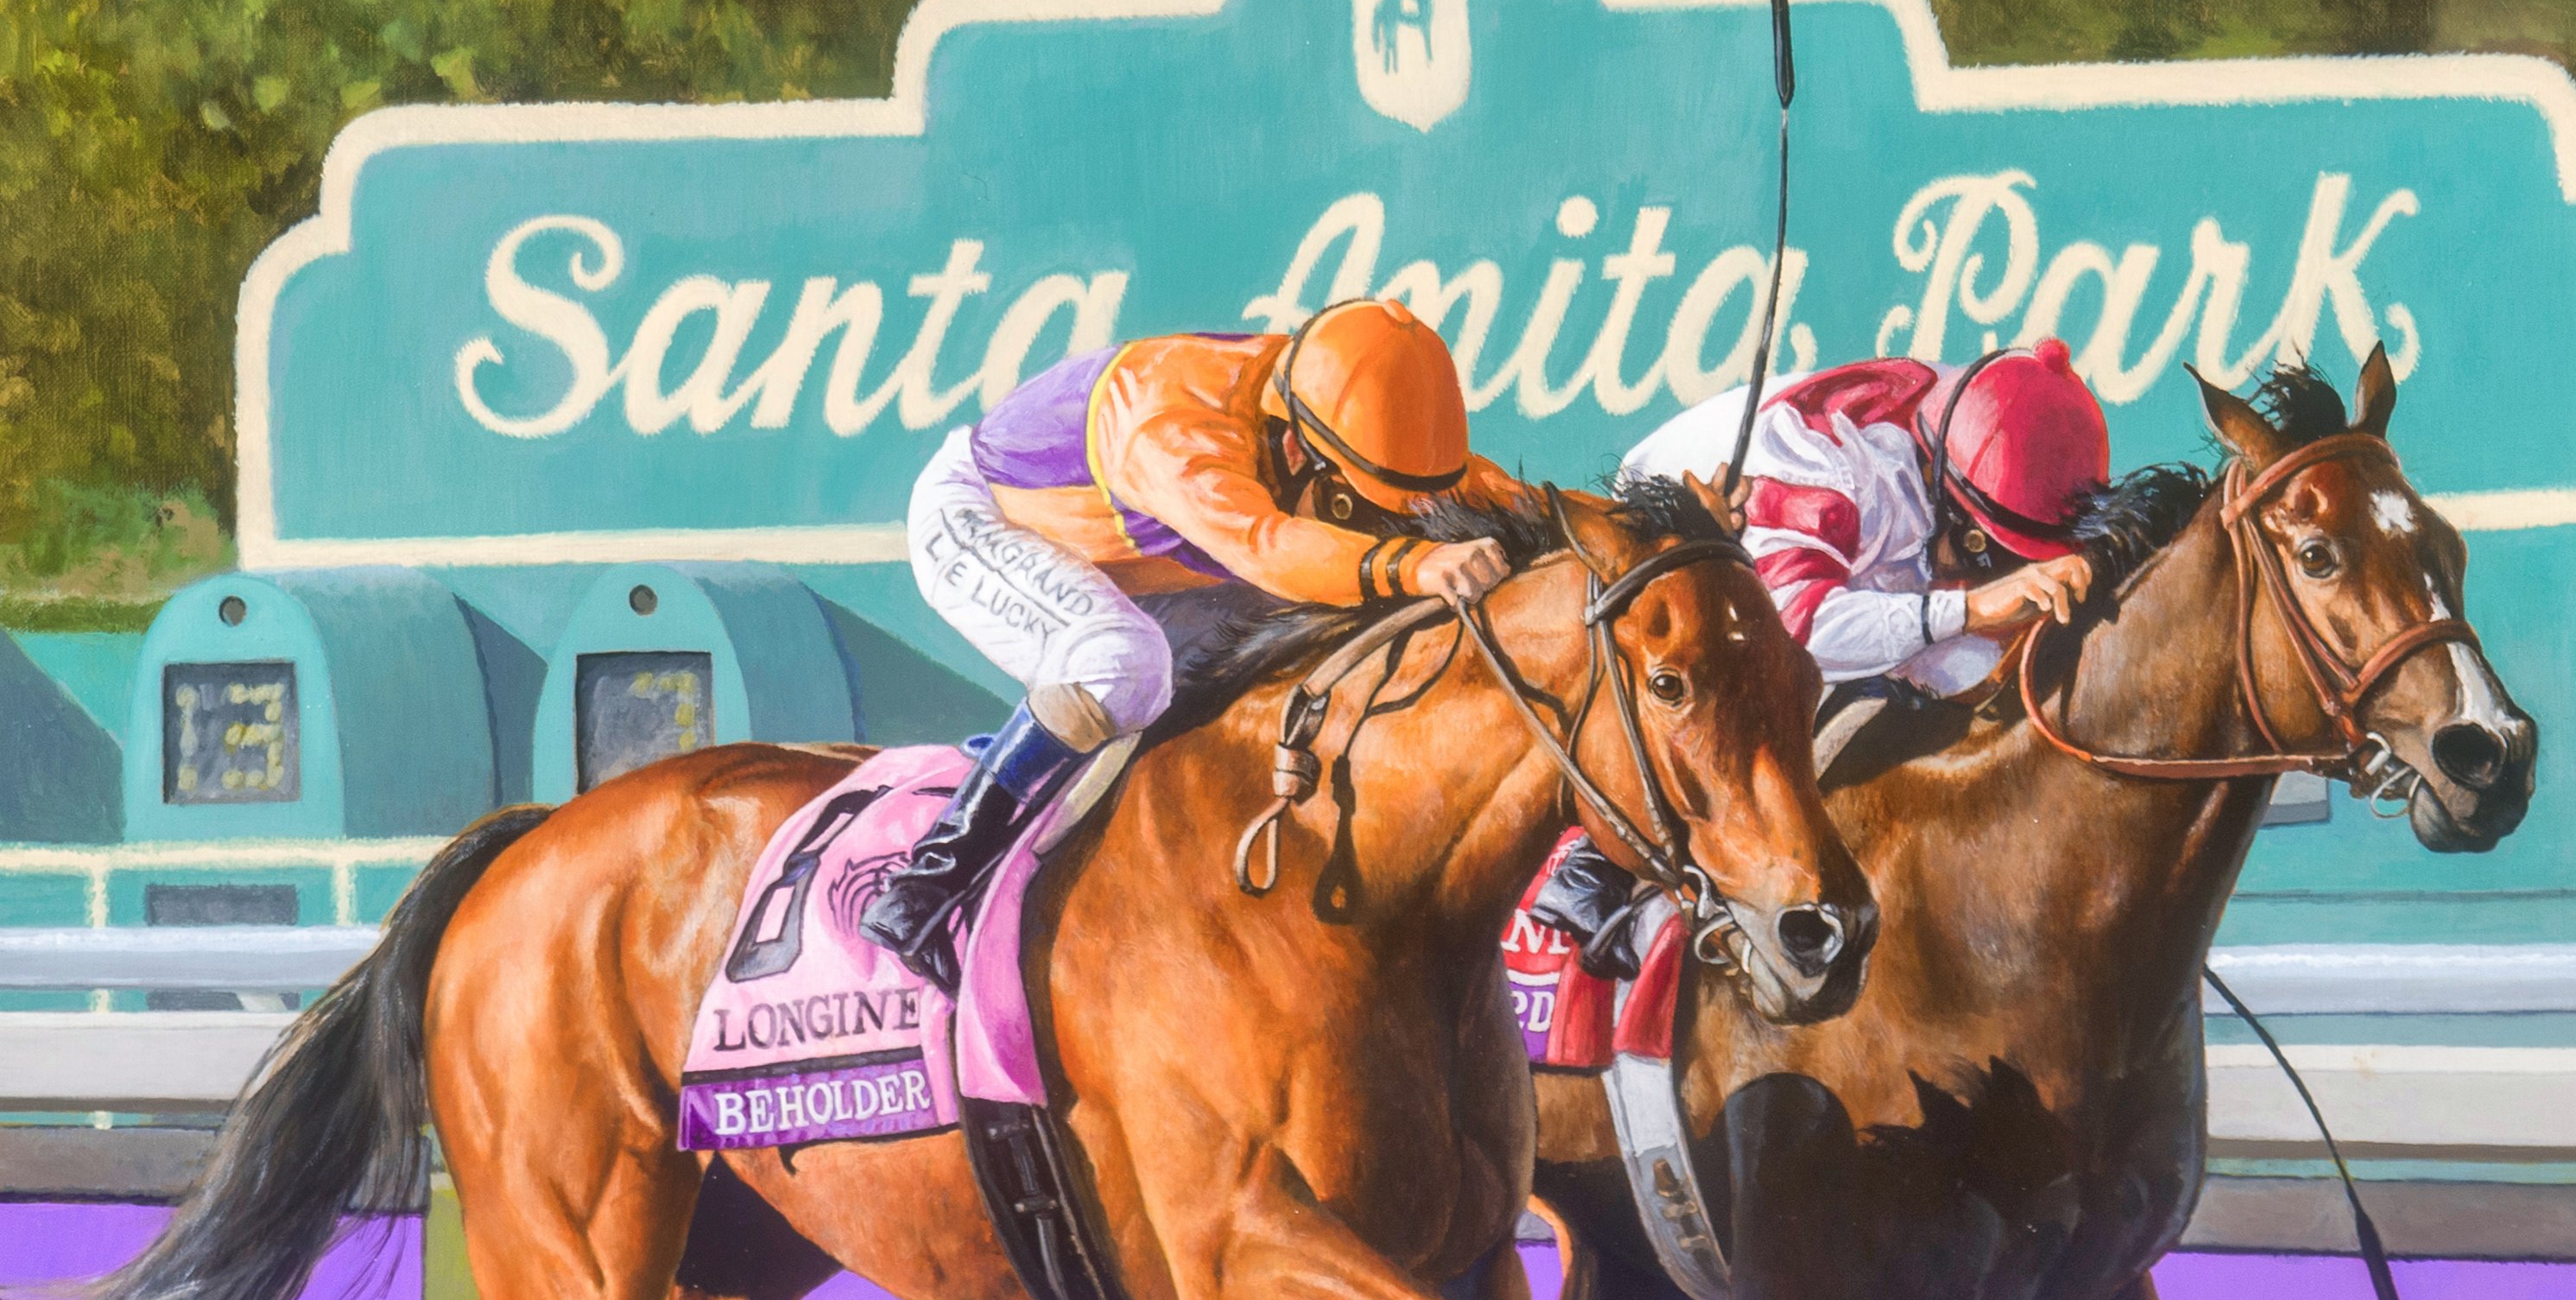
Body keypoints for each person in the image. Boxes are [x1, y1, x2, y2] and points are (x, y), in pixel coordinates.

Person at [863, 300, 1529, 989]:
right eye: (1356, 501)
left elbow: (1489, 493)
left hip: (1133, 558)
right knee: (1121, 662)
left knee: (1302, 639)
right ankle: (925, 887)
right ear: (1298, 449)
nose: (1378, 520)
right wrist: (1411, 565)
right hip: (979, 521)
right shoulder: (1173, 426)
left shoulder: (1328, 405)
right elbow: (1262, 546)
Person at [1529, 338, 2110, 975]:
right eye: (1984, 548)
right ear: (1946, 488)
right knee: (1767, 688)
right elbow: (1798, 630)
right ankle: (1597, 869)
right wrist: (1971, 608)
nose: (1993, 570)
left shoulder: (1991, 426)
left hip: (1858, 554)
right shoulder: (1819, 459)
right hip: (1707, 549)